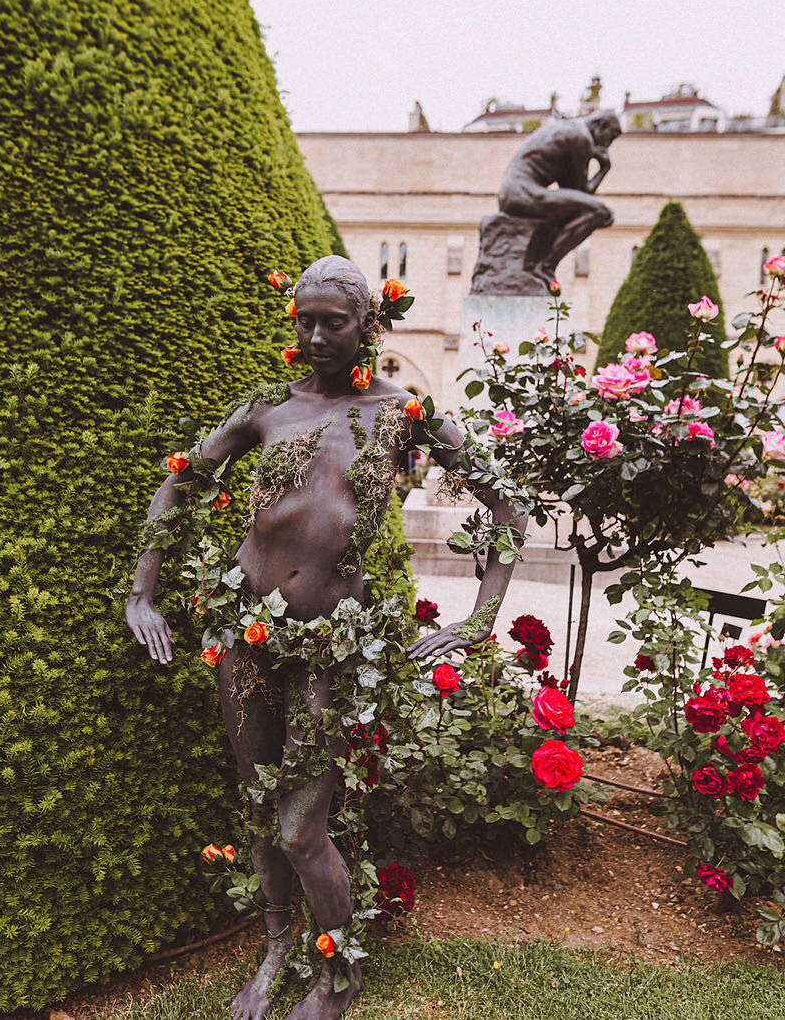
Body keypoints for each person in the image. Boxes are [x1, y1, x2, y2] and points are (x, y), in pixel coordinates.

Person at [126, 255, 525, 1020]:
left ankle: (338, 974)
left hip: (330, 649)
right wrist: (141, 592)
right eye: (302, 320)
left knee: (302, 822)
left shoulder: (401, 413)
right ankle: (277, 945)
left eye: (332, 322)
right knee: (259, 798)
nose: (313, 335)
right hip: (244, 637)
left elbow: (507, 510)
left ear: (367, 323)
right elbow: (182, 480)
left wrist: (478, 622)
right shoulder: (267, 408)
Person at [497, 109, 622, 289]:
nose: (608, 145)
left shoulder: (569, 130)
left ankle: (534, 263)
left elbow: (573, 194)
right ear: (601, 126)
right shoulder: (581, 137)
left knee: (576, 211)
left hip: (515, 192)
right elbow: (581, 193)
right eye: (610, 138)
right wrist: (604, 169)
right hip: (522, 192)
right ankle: (544, 267)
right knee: (602, 213)